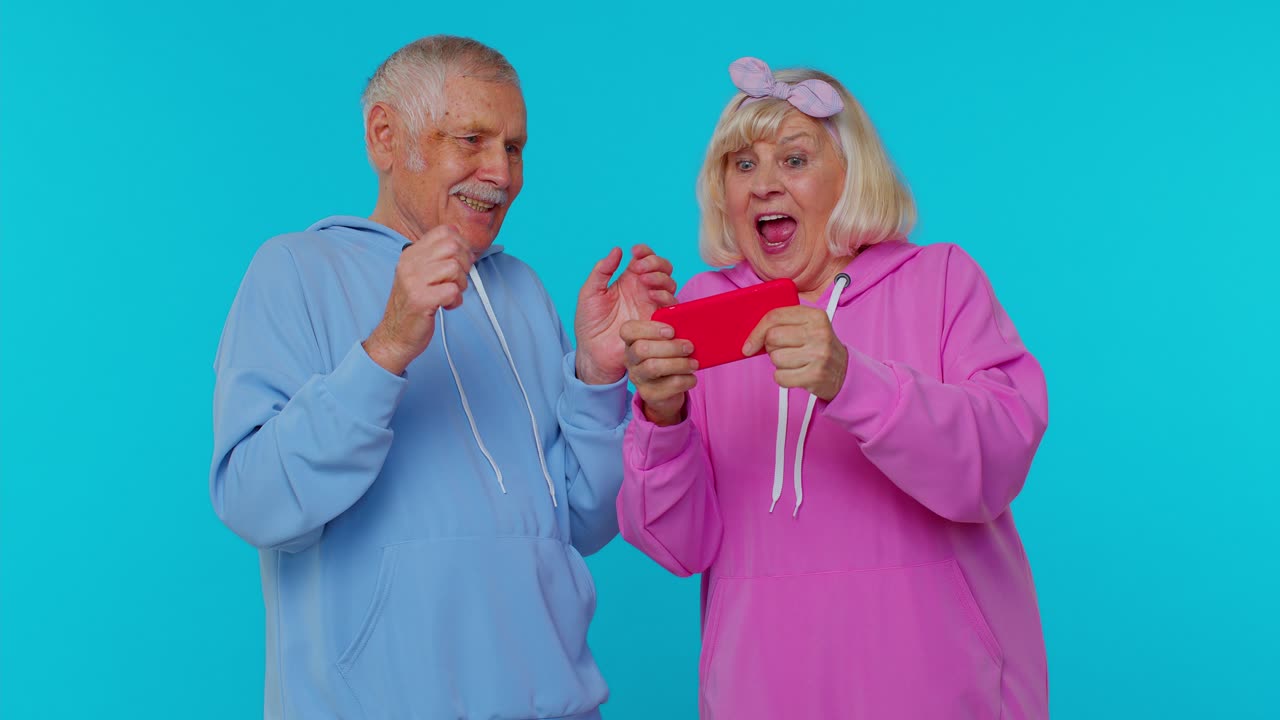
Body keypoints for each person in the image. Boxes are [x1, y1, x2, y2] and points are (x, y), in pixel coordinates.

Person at [210, 35, 674, 719]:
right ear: (385, 136)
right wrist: (386, 348)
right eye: (472, 139)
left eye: (514, 147)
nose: (501, 172)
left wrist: (597, 377)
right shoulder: (294, 271)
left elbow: (583, 522)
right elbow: (254, 503)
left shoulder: (522, 291)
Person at [617, 57, 1050, 719]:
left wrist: (852, 381)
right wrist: (662, 414)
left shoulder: (941, 280)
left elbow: (996, 462)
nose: (764, 184)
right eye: (743, 164)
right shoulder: (703, 314)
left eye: (794, 160)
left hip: (938, 691)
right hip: (760, 697)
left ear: (852, 175)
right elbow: (677, 546)